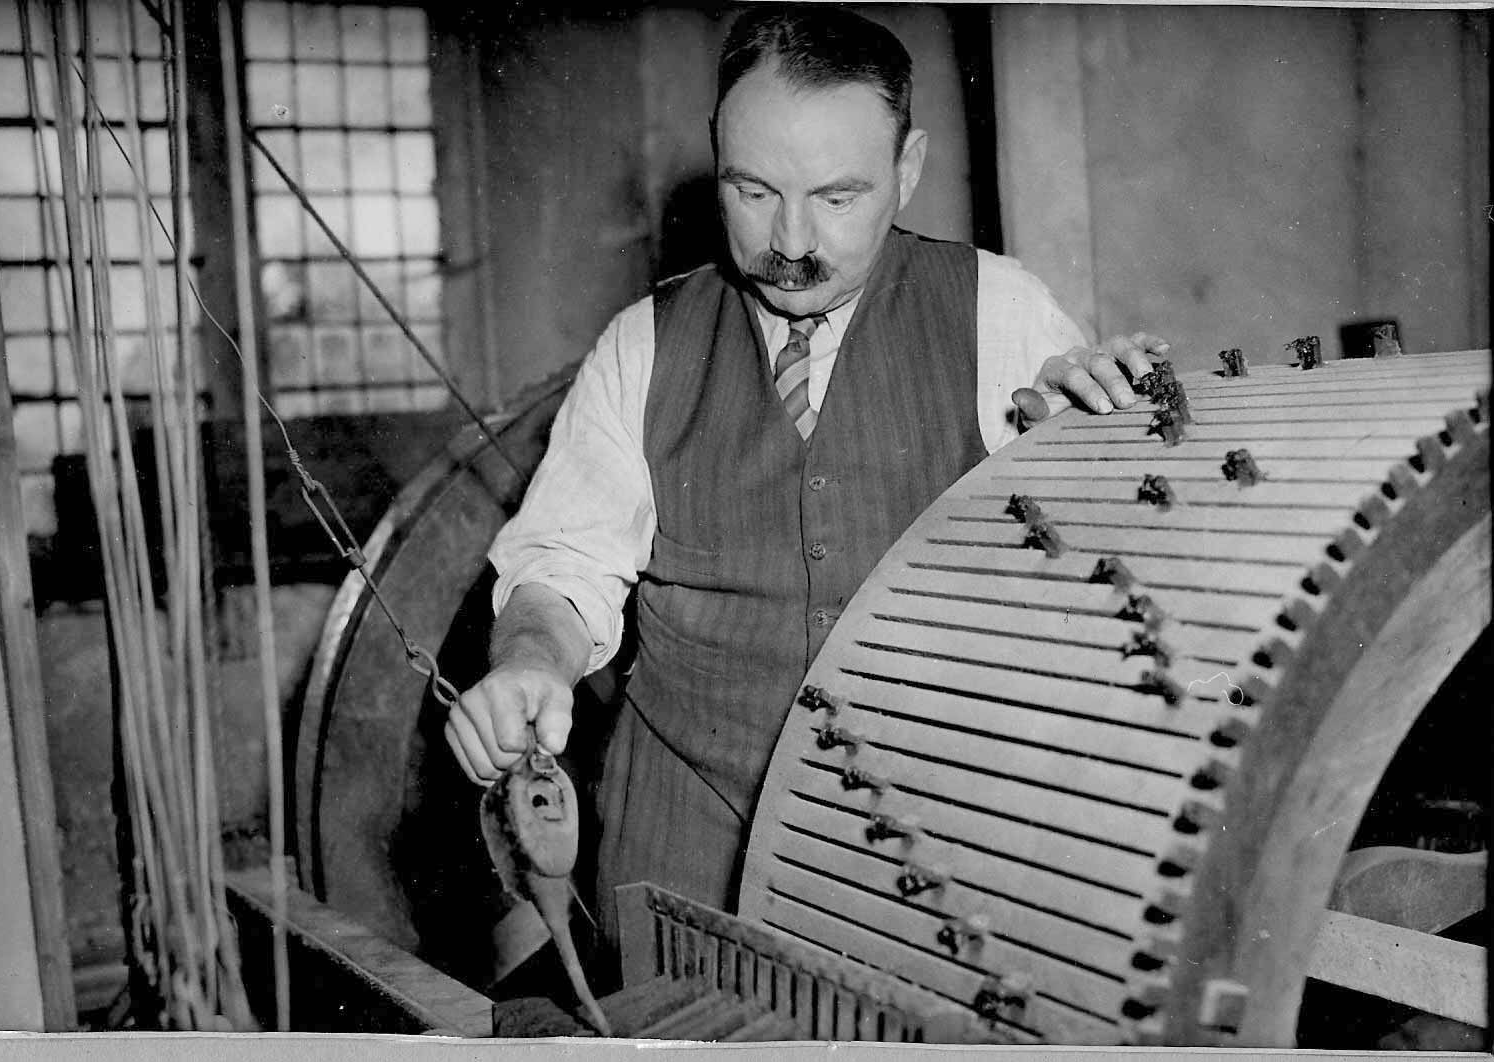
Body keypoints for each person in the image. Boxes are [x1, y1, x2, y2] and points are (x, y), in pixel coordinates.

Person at [444, 6, 1166, 947]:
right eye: (752, 191)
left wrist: (1092, 448)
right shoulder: (642, 347)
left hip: (937, 844)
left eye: (836, 196)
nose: (790, 240)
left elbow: (1100, 590)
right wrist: (531, 661)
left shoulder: (1002, 313)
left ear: (906, 169)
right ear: (715, 152)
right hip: (687, 845)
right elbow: (563, 570)